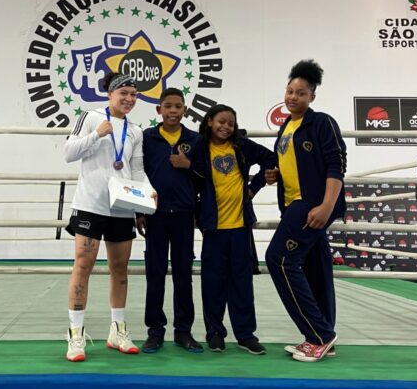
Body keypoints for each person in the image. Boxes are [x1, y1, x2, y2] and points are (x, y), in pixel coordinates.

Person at [63, 72, 154, 362]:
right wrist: (97, 134)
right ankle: (76, 335)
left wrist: (148, 193)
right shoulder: (90, 117)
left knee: (119, 268)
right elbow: (68, 152)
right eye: (123, 93)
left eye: (133, 94)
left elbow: (136, 170)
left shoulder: (135, 131)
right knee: (83, 266)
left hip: (122, 207)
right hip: (90, 205)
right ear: (110, 94)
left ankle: (118, 330)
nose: (129, 98)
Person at [264, 59, 346, 363]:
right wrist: (275, 175)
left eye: (300, 93)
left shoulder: (322, 122)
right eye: (289, 91)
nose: (293, 97)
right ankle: (326, 336)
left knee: (279, 260)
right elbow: (295, 164)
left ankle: (318, 335)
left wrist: (327, 205)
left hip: (311, 204)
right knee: (317, 268)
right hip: (293, 205)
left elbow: (336, 164)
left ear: (312, 96)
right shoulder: (286, 127)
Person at [192, 104, 276, 355]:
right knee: (213, 283)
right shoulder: (199, 147)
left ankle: (245, 334)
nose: (226, 127)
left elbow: (271, 158)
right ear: (209, 121)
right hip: (213, 228)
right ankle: (215, 333)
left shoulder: (241, 145)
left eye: (230, 123)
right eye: (221, 121)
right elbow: (190, 179)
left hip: (240, 227)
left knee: (242, 284)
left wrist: (254, 186)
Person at [137, 88, 203, 354]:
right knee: (155, 274)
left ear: (185, 110)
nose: (173, 111)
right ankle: (155, 331)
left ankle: (183, 331)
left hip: (185, 214)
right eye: (168, 106)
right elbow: (137, 174)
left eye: (178, 106)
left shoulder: (195, 140)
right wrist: (138, 211)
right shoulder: (147, 138)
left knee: (183, 275)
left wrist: (189, 166)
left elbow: (205, 176)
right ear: (159, 110)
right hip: (155, 214)